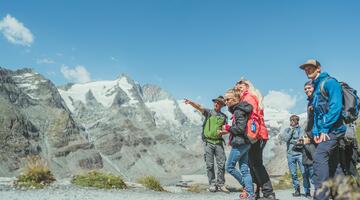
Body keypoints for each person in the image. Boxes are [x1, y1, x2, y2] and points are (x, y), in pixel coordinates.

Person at [299, 59, 346, 200]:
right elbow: (318, 114)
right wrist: (315, 132)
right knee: (335, 165)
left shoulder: (330, 82)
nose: (308, 70)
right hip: (325, 132)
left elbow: (335, 107)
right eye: (305, 69)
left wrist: (325, 128)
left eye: (311, 68)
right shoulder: (316, 85)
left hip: (334, 130)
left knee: (319, 159)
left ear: (318, 68)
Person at [234, 79, 276, 200]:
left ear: (247, 86)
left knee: (256, 164)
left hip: (254, 135)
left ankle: (268, 192)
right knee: (252, 164)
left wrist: (250, 135)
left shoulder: (248, 97)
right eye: (237, 88)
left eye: (241, 87)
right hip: (257, 134)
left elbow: (253, 118)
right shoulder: (249, 97)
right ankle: (256, 192)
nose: (239, 89)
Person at [184, 96, 229, 193]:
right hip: (208, 143)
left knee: (221, 164)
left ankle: (221, 184)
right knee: (210, 165)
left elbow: (226, 129)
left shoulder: (224, 117)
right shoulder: (209, 113)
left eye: (218, 103)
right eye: (215, 102)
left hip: (218, 143)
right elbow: (199, 107)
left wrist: (223, 132)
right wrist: (191, 102)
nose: (216, 104)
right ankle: (212, 184)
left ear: (221, 105)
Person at [218, 89, 255, 199]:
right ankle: (251, 194)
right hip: (246, 142)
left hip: (240, 143)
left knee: (229, 167)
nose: (226, 102)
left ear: (236, 99)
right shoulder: (241, 109)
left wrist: (228, 128)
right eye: (225, 100)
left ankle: (248, 187)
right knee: (244, 168)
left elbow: (240, 128)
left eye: (228, 99)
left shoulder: (238, 111)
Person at [294, 81, 316, 198]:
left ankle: (318, 192)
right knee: (306, 178)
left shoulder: (317, 101)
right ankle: (308, 192)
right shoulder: (310, 103)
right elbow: (295, 147)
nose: (307, 91)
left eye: (309, 88)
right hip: (305, 161)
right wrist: (300, 142)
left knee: (313, 177)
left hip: (311, 161)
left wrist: (308, 139)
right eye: (305, 89)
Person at [280, 115, 307, 197]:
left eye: (293, 120)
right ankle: (297, 190)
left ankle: (307, 190)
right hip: (290, 155)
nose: (291, 122)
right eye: (291, 120)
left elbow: (302, 140)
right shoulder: (287, 129)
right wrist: (292, 132)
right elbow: (285, 139)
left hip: (300, 154)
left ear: (297, 121)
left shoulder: (301, 129)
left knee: (304, 173)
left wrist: (294, 141)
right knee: (293, 174)